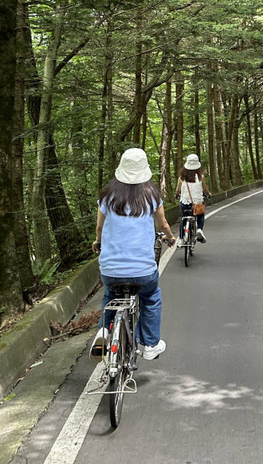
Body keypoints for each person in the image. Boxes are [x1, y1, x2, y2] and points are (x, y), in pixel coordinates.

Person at [90, 148, 175, 363]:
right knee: (151, 297)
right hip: (143, 272)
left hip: (110, 270)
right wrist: (170, 237)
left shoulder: (108, 196)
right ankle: (151, 344)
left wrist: (98, 243)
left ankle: (103, 332)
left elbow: (100, 228)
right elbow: (163, 223)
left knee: (110, 294)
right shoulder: (151, 196)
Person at [175, 153, 211, 243]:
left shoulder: (181, 178)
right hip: (197, 203)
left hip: (185, 203)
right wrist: (209, 194)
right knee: (200, 216)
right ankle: (199, 229)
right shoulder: (201, 177)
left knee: (183, 218)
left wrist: (177, 194)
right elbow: (205, 190)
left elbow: (177, 190)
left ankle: (181, 238)